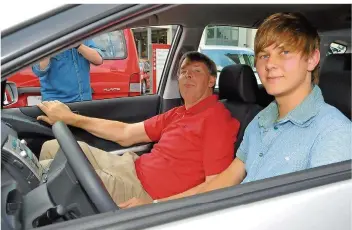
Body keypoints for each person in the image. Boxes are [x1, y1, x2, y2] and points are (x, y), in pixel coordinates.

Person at [121, 12, 352, 208]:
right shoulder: (262, 119)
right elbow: (225, 181)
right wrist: (157, 208)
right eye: (264, 55)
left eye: (285, 52)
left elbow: (319, 226)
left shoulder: (334, 133)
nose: (270, 64)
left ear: (312, 60)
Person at [37, 51, 240, 205]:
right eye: (183, 72)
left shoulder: (217, 119)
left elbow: (215, 187)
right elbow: (126, 134)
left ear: (211, 80)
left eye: (196, 72)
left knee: (50, 174)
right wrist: (71, 118)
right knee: (51, 147)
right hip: (131, 166)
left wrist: (154, 206)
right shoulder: (179, 113)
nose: (187, 76)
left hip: (145, 192)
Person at [32, 40, 103, 103]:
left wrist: (78, 45)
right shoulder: (46, 39)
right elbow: (39, 71)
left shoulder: (83, 37)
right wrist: (49, 48)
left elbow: (98, 60)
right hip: (57, 103)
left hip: (83, 100)